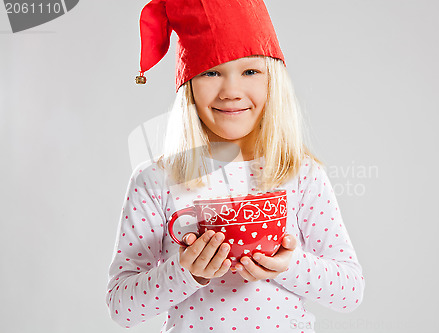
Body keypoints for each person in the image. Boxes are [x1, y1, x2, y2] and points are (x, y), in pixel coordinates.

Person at [106, 0, 365, 332]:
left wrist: (290, 265)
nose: (231, 91)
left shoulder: (301, 175)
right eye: (212, 72)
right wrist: (186, 273)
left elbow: (350, 291)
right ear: (188, 86)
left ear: (274, 80)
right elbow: (121, 307)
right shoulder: (155, 180)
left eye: (250, 71)